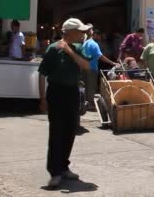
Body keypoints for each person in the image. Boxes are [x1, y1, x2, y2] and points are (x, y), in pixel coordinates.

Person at [37, 18, 92, 188]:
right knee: (56, 133)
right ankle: (55, 172)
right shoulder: (53, 49)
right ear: (70, 32)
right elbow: (42, 74)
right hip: (56, 93)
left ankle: (63, 167)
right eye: (79, 31)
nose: (82, 34)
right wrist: (42, 99)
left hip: (72, 93)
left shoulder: (78, 48)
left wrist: (70, 51)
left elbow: (86, 66)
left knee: (70, 131)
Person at [82, 26, 117, 108]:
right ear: (95, 35)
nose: (99, 38)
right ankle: (90, 104)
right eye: (99, 36)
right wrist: (112, 63)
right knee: (91, 86)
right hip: (92, 68)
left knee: (86, 86)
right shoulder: (94, 44)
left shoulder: (86, 42)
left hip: (84, 67)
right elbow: (100, 56)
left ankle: (85, 103)